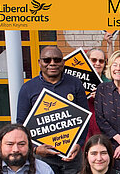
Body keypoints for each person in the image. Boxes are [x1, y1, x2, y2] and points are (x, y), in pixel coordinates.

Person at [17, 46, 88, 174]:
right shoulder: (28, 88)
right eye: (47, 60)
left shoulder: (75, 84)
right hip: (42, 158)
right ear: (39, 62)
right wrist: (35, 149)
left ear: (63, 62)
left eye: (57, 60)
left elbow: (84, 118)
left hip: (72, 156)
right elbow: (21, 124)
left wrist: (79, 144)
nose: (52, 63)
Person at [86, 48, 110, 142]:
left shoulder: (110, 82)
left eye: (101, 61)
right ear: (87, 60)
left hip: (104, 127)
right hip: (86, 127)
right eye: (94, 60)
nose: (97, 63)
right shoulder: (77, 81)